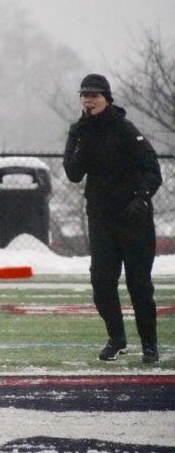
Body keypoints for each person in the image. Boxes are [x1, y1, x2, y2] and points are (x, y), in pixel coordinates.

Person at [63, 74, 162, 364]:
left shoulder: (125, 129)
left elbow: (152, 168)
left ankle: (150, 344)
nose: (89, 100)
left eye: (95, 95)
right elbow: (73, 173)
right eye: (85, 95)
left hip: (134, 219)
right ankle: (117, 339)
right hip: (101, 218)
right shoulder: (78, 131)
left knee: (139, 284)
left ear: (107, 98)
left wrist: (142, 198)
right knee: (102, 281)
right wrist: (81, 138)